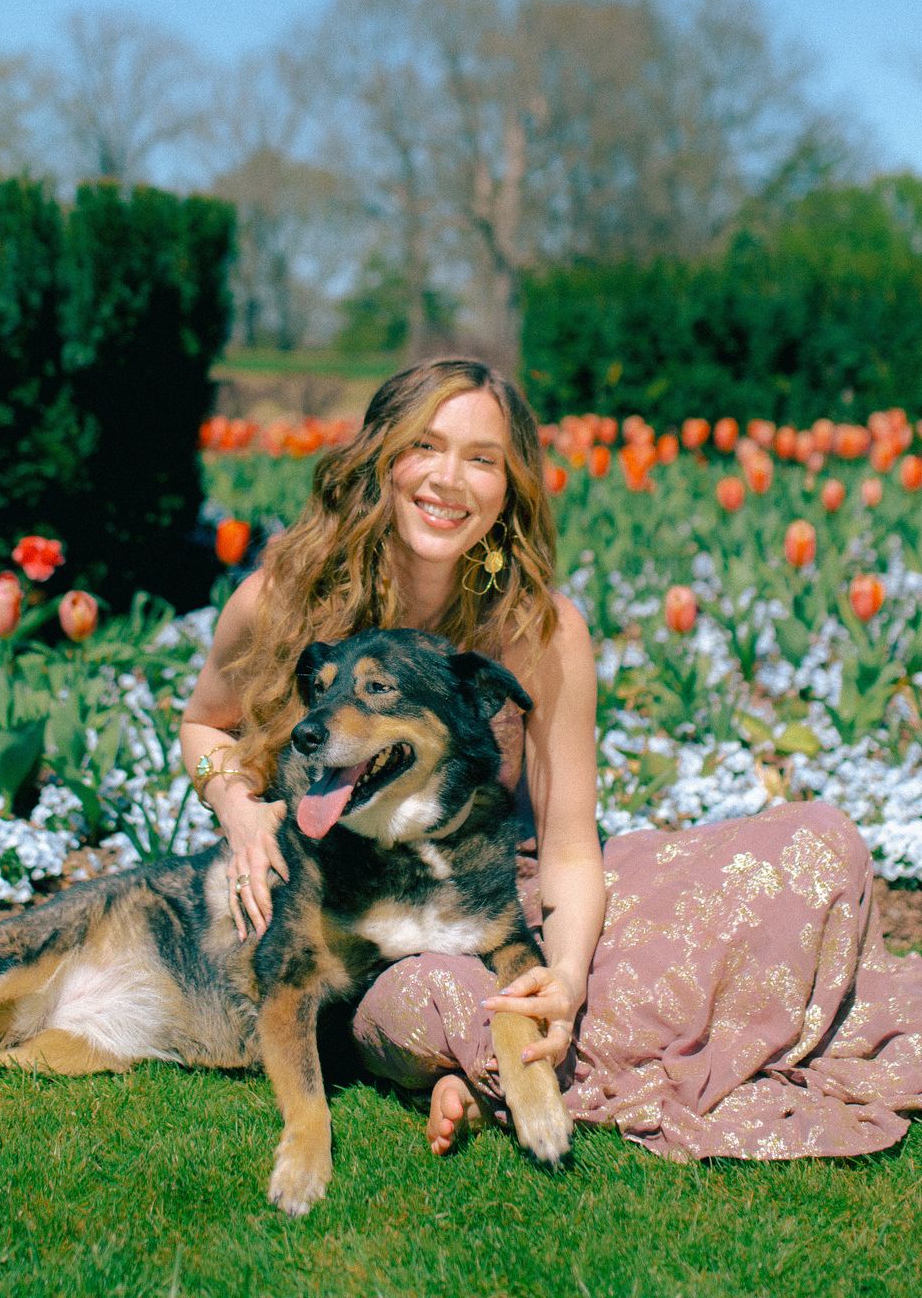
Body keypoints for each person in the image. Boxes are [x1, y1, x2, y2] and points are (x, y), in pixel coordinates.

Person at [181, 357, 922, 1161]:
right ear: (382, 460)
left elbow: (571, 846)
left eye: (483, 459)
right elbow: (203, 725)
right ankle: (463, 1056)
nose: (449, 479)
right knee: (427, 994)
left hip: (508, 904)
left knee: (810, 845)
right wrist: (240, 810)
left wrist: (563, 978)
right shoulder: (284, 597)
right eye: (425, 446)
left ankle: (483, 1057)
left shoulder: (539, 628)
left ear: (510, 489)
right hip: (370, 927)